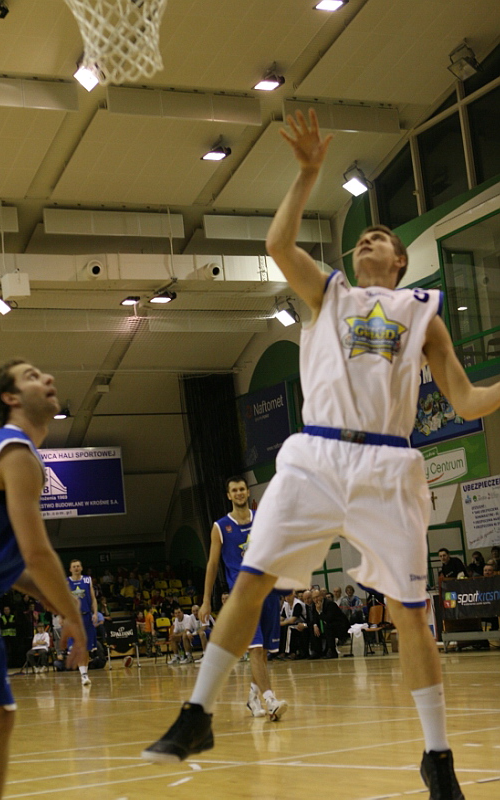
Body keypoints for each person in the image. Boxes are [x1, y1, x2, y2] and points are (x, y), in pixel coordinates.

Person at [142, 108, 500, 798]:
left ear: (398, 262)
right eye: (361, 236)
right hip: (315, 457)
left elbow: (464, 402)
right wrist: (307, 173)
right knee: (252, 578)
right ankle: (197, 713)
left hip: (390, 464)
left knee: (410, 613)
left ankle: (437, 758)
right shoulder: (328, 293)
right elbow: (278, 244)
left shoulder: (422, 314)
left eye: (380, 237)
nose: (368, 240)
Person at [0, 359, 87, 800]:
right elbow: (37, 553)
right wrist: (72, 616)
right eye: (32, 376)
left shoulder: (9, 452)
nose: (49, 378)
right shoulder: (13, 451)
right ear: (10, 398)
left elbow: (10, 563)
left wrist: (47, 597)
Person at [197, 476, 286, 719]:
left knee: (264, 651)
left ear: (248, 492)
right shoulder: (220, 527)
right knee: (255, 648)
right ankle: (271, 700)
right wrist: (206, 600)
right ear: (229, 495)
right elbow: (212, 565)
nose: (238, 493)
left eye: (242, 489)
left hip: (267, 591)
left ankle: (252, 697)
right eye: (234, 490)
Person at [67, 559, 98, 686]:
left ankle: (84, 673)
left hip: (86, 616)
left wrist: (95, 613)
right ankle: (83, 674)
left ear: (81, 568)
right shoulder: (66, 582)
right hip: (74, 618)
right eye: (74, 566)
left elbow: (93, 598)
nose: (76, 568)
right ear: (70, 569)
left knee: (86, 647)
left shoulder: (87, 580)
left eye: (78, 566)